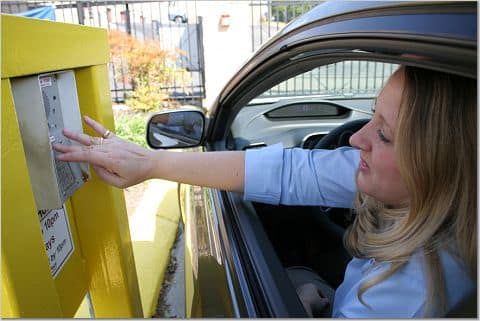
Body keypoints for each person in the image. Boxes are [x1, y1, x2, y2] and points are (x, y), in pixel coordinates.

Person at [53, 65, 476, 317]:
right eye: (370, 119)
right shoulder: (430, 196)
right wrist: (151, 164)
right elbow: (293, 170)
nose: (354, 140)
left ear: (438, 163)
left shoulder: (411, 292)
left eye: (383, 134)